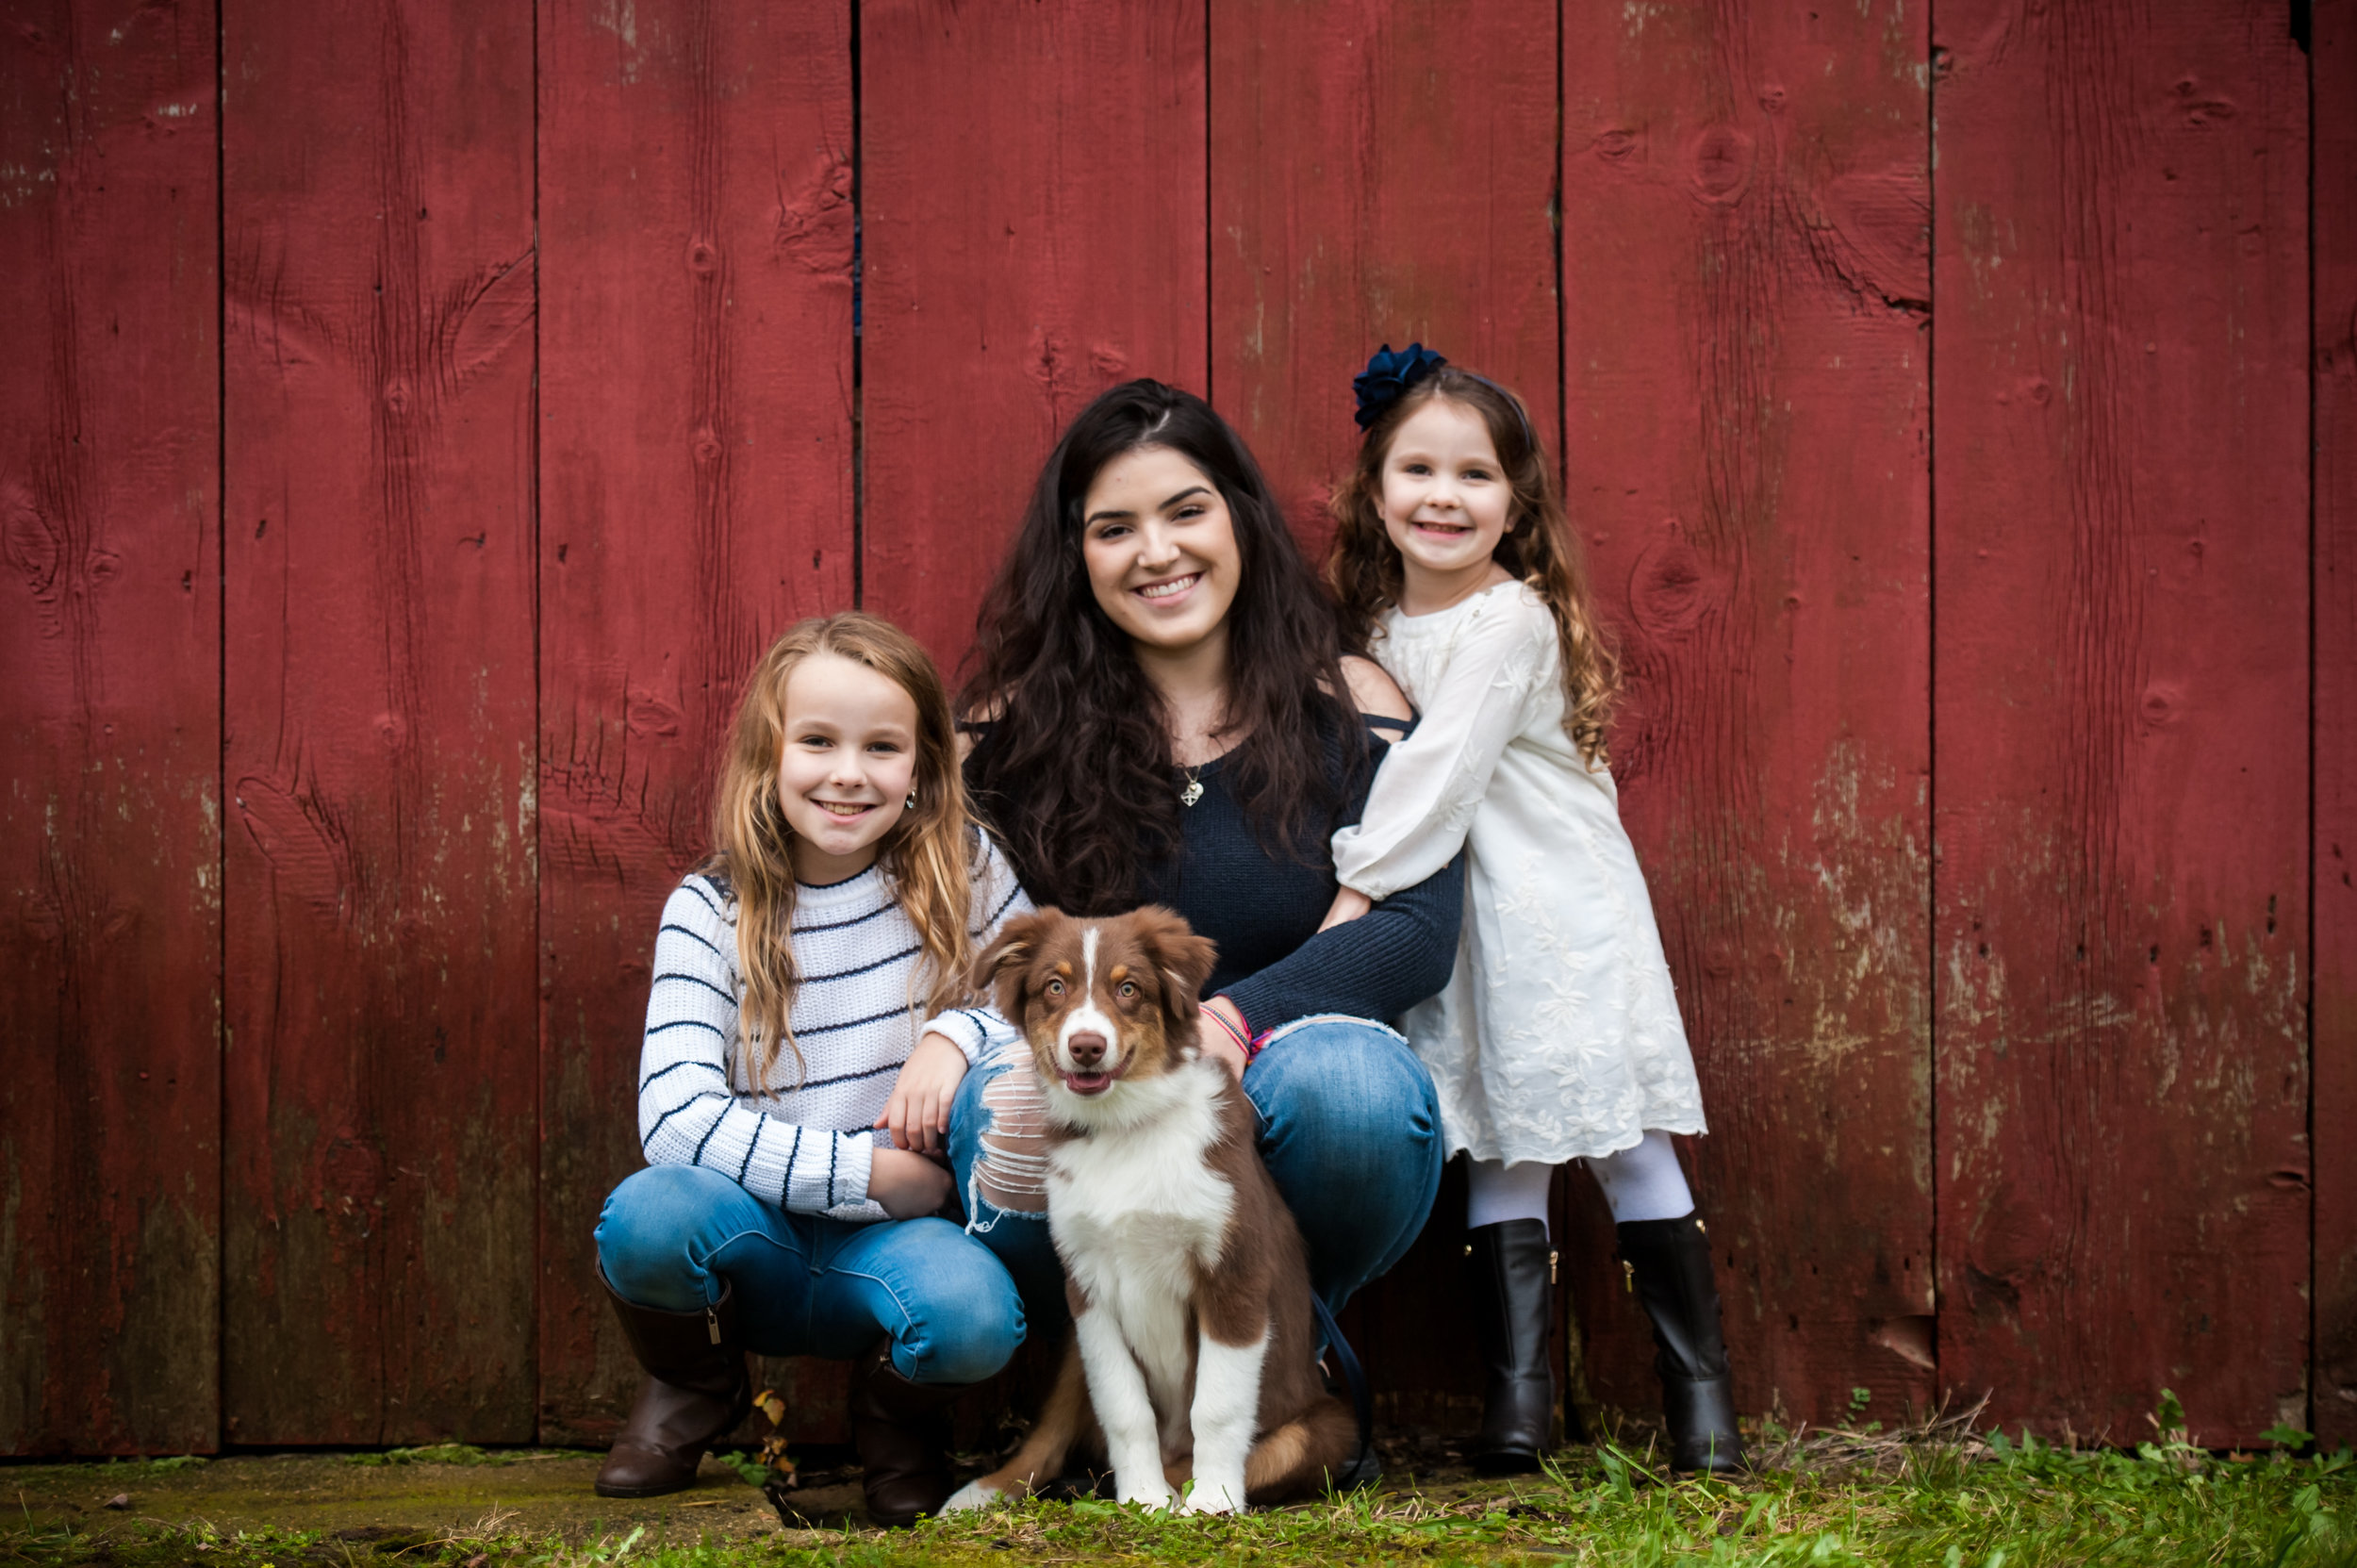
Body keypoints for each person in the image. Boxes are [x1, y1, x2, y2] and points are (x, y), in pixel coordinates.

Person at [942, 380, 1464, 1480]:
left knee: (1353, 1088)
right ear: (1074, 554)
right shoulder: (1011, 731)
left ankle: (1271, 1380)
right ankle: (1123, 1407)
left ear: (1240, 519)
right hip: (1101, 1098)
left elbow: (1418, 928)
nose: (1157, 552)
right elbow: (933, 905)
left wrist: (1236, 1017)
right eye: (1113, 527)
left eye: (1186, 511)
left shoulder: (1351, 704)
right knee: (997, 1103)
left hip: (1285, 1086)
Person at [1319, 344, 1744, 1476]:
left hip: (1557, 908)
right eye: (1417, 470)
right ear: (1375, 492)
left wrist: (1354, 891)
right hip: (1463, 915)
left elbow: (1438, 771)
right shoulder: (1371, 628)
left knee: (1621, 1137)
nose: (1443, 496)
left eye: (1475, 475)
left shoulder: (1509, 621)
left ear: (1516, 504)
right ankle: (1518, 1406)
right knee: (1501, 1138)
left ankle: (1702, 1401)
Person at [592, 612, 1032, 1525]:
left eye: (882, 747)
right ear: (770, 755)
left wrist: (956, 1034)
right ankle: (697, 1386)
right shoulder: (712, 909)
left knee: (977, 1316)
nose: (848, 773)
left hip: (895, 1246)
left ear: (922, 768)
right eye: (819, 741)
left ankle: (895, 1422)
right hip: (755, 1232)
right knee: (647, 1214)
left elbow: (1041, 996)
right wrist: (868, 1172)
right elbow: (672, 1116)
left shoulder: (964, 869)